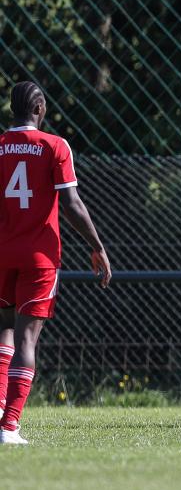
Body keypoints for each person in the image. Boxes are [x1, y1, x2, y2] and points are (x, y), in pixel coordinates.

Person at [0, 82, 111, 444]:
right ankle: (9, 427)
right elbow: (73, 205)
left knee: (3, 330)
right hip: (39, 257)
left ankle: (0, 408)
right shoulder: (54, 146)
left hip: (3, 253)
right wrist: (97, 246)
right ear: (40, 109)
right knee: (26, 338)